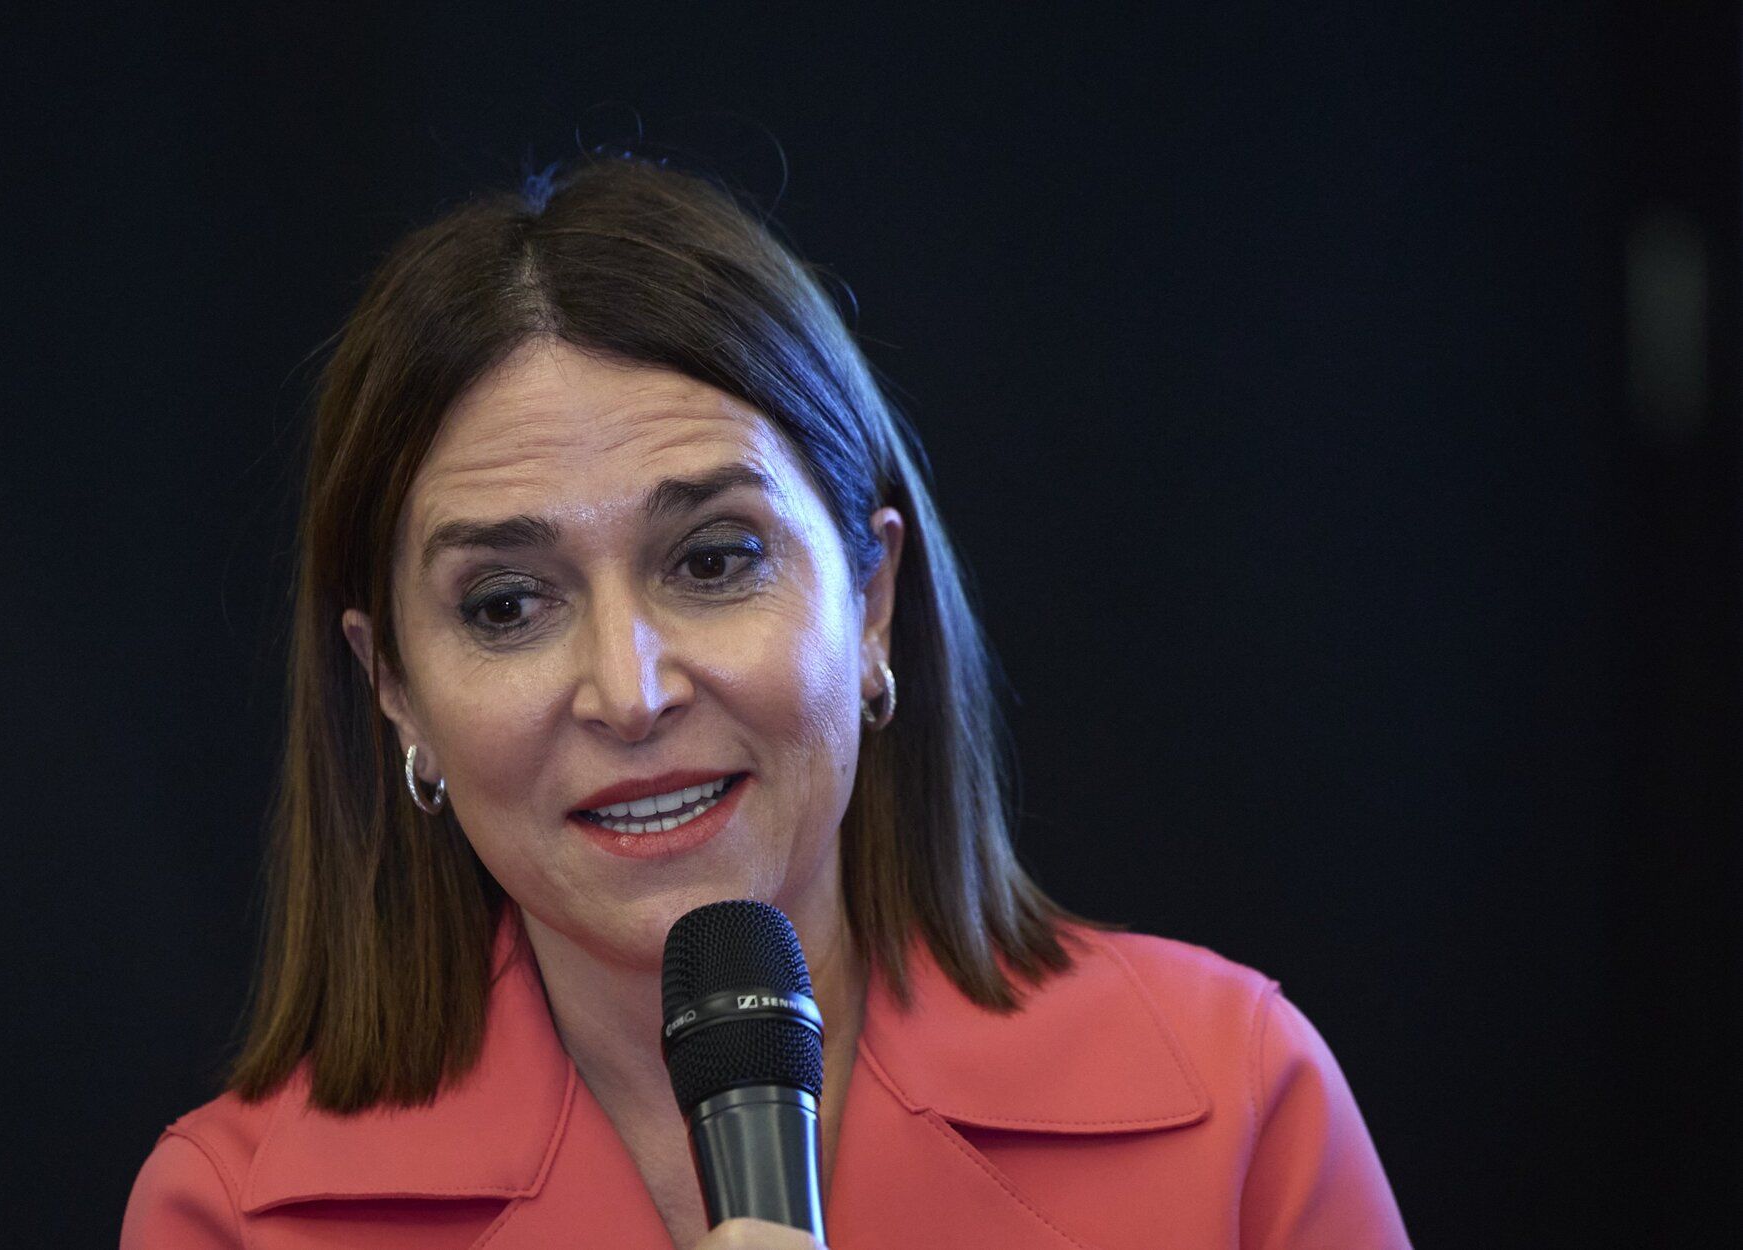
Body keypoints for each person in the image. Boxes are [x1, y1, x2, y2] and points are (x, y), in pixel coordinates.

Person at [120, 154, 1412, 1249]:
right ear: (394, 689)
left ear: (873, 600)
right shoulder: (234, 1218)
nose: (631, 693)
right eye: (507, 604)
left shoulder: (1237, 1100)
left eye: (714, 560)